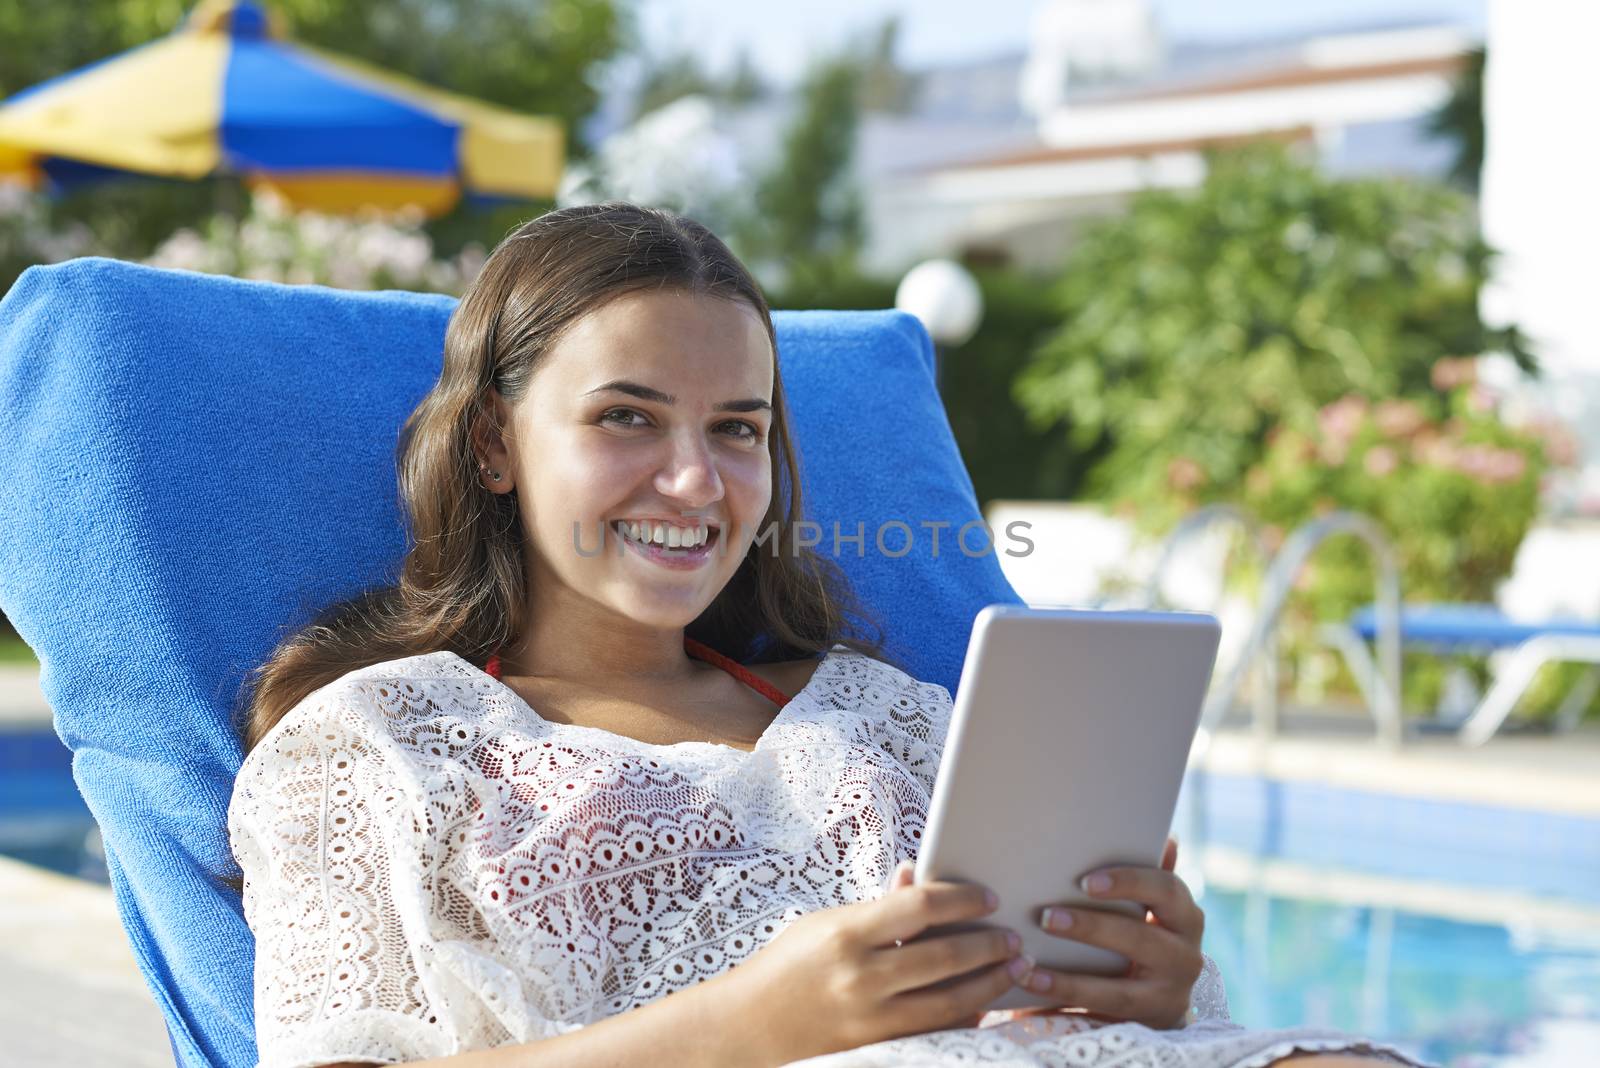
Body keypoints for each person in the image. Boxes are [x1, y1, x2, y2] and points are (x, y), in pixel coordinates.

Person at [227, 202, 1433, 1068]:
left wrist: (1157, 991)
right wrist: (757, 1024)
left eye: (738, 430)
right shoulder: (376, 747)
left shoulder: (893, 716)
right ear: (492, 443)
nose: (696, 482)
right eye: (628, 418)